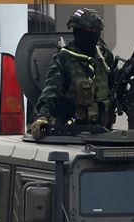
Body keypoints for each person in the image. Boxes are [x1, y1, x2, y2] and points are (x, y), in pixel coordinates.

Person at [30, 8, 117, 140]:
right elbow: (50, 91)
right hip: (70, 132)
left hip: (103, 132)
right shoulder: (64, 59)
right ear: (77, 31)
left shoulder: (105, 56)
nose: (93, 35)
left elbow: (118, 88)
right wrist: (42, 116)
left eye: (96, 31)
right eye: (89, 31)